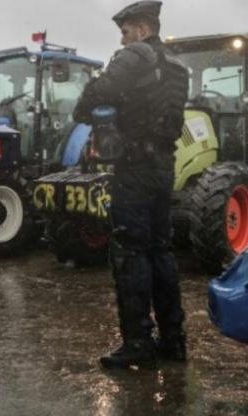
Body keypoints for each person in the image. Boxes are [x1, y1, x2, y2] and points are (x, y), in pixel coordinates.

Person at [72, 1, 189, 369]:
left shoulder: (135, 55)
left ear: (140, 28)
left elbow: (93, 97)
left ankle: (137, 341)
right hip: (163, 166)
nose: (121, 40)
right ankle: (173, 339)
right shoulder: (176, 66)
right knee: (161, 251)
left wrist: (89, 102)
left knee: (130, 252)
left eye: (124, 31)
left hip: (135, 167)